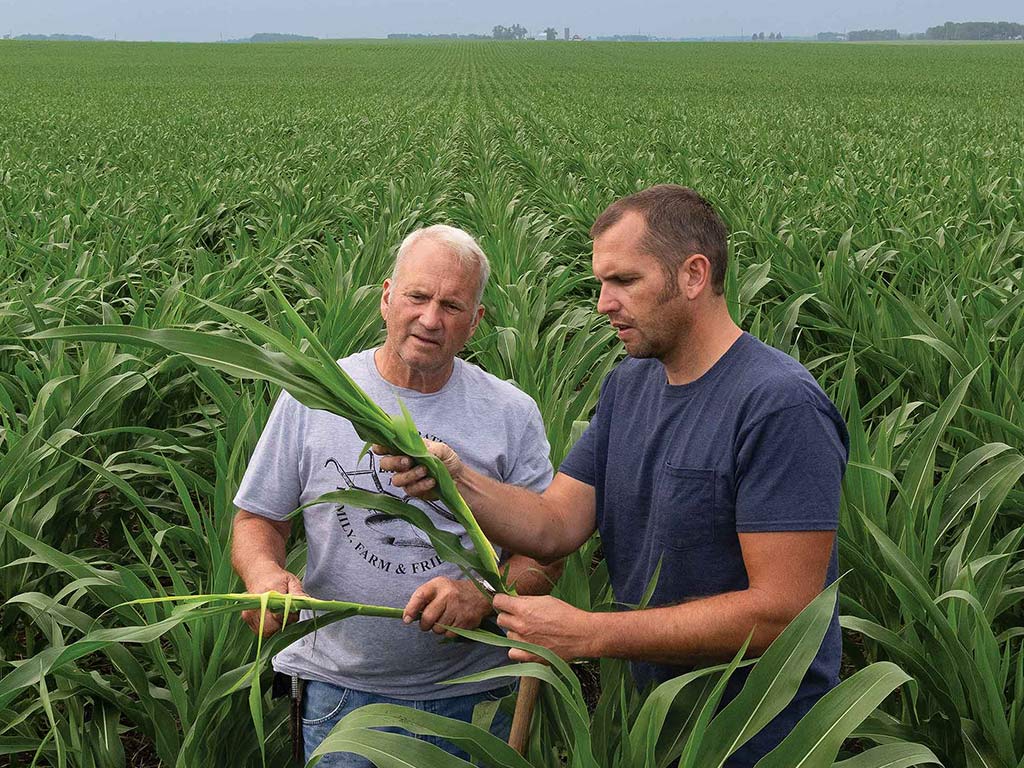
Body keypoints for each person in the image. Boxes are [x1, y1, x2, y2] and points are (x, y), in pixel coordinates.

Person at [382, 185, 849, 767]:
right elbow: (555, 525)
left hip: (755, 739)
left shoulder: (777, 405)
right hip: (653, 729)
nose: (603, 302)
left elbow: (785, 614)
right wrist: (451, 477)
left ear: (693, 275)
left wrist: (592, 633)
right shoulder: (630, 387)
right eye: (601, 283)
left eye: (624, 281)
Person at [231, 224, 561, 767]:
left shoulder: (510, 413)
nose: (431, 319)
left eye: (453, 305)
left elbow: (546, 549)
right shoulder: (317, 397)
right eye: (417, 296)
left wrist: (483, 596)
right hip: (338, 692)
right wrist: (264, 576)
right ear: (386, 297)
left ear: (476, 323)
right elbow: (256, 520)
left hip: (472, 693)